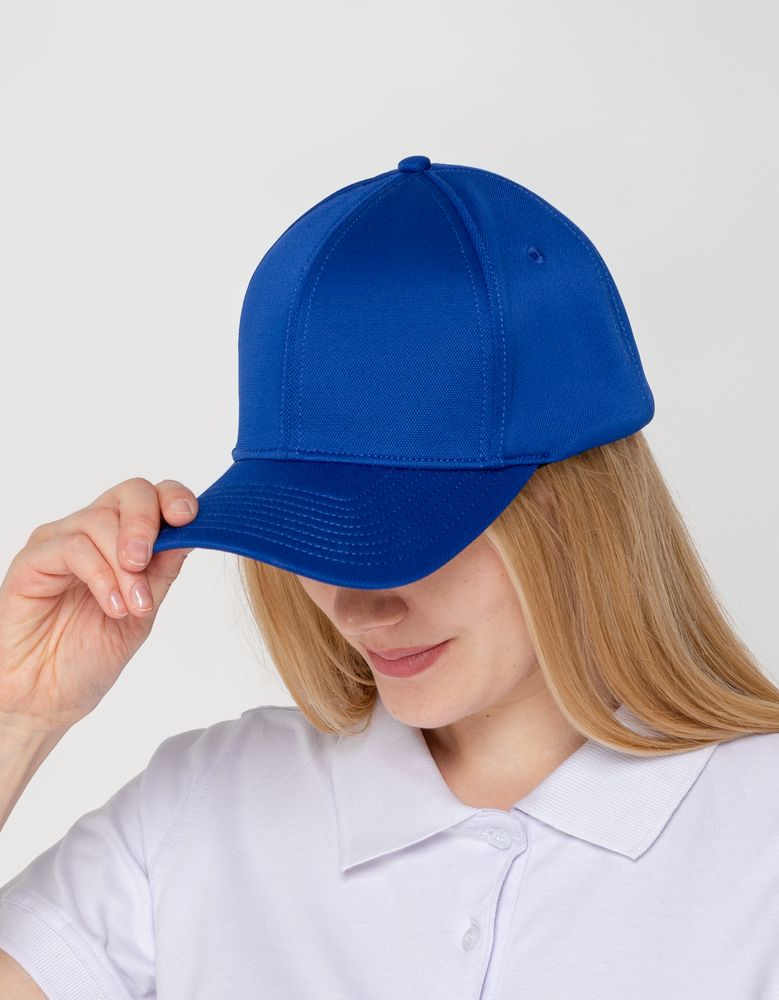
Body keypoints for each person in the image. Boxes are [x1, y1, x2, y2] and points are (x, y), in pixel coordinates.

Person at [2, 155, 779, 998]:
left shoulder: (755, 840)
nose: (358, 609)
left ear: (576, 511)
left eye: (407, 538)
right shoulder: (206, 804)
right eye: (312, 536)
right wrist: (18, 712)